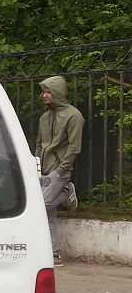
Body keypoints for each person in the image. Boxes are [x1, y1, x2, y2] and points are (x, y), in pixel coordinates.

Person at [35, 76, 84, 266]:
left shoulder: (74, 116)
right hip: (43, 170)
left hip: (59, 172)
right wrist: (36, 167)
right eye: (43, 91)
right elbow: (40, 144)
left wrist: (60, 170)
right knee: (48, 213)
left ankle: (66, 191)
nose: (43, 95)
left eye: (47, 91)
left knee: (41, 207)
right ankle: (54, 255)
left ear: (57, 93)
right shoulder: (44, 117)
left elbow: (74, 147)